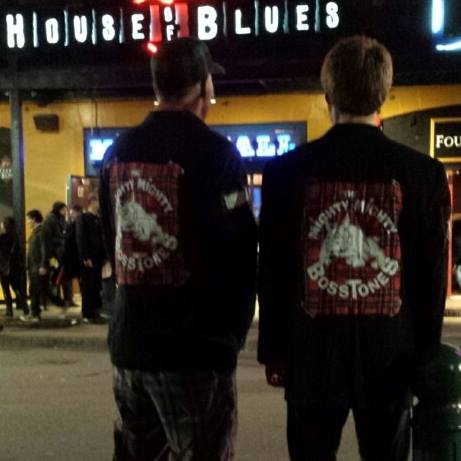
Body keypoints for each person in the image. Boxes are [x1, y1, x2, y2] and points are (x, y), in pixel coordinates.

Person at [258, 36, 450, 461]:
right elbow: (431, 275)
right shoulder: (423, 174)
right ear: (384, 94)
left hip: (311, 355)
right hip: (392, 356)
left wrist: (273, 350)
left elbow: (272, 270)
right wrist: (426, 352)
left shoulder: (285, 172)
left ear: (328, 95)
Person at [99, 37, 257, 460]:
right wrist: (232, 335)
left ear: (158, 86)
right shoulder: (217, 154)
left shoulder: (118, 151)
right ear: (204, 86)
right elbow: (242, 252)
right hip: (194, 349)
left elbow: (112, 241)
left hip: (131, 346)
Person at [75, 195, 105, 323]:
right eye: (98, 201)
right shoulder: (83, 218)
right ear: (92, 201)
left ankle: (94, 311)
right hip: (89, 258)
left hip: (98, 257)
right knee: (88, 285)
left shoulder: (98, 218)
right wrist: (85, 256)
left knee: (96, 285)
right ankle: (87, 313)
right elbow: (81, 237)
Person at [0, 216, 28, 317]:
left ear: (6, 225)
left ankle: (9, 310)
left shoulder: (2, 237)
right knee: (17, 288)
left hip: (4, 267)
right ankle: (25, 307)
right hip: (14, 267)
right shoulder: (16, 236)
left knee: (6, 289)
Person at [41, 201, 68, 307]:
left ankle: (57, 300)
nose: (65, 212)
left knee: (57, 278)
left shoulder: (60, 220)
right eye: (63, 209)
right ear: (58, 209)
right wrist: (62, 241)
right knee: (53, 278)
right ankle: (54, 300)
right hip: (53, 255)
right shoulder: (51, 220)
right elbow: (47, 240)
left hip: (58, 254)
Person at [23, 209, 46, 322]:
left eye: (28, 219)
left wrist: (43, 265)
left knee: (36, 290)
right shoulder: (34, 232)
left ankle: (36, 314)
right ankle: (34, 312)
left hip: (37, 266)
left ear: (34, 219)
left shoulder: (41, 232)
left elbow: (44, 249)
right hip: (33, 266)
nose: (27, 222)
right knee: (33, 289)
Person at [62, 204, 83, 307]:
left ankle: (72, 299)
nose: (71, 215)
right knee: (70, 278)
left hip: (76, 257)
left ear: (78, 213)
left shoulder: (75, 225)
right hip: (73, 257)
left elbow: (68, 240)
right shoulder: (71, 225)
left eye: (72, 213)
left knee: (77, 278)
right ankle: (69, 299)